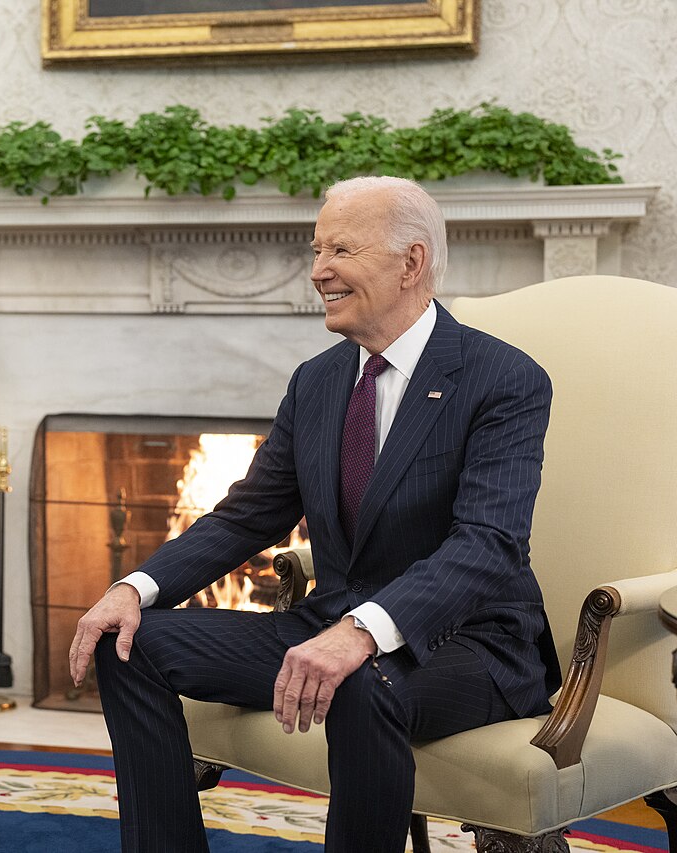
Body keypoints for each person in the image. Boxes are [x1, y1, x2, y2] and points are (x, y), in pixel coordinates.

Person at [69, 176, 561, 853]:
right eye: (317, 249)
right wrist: (134, 588)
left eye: (340, 250)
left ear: (411, 262)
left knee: (362, 680)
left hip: (470, 644)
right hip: (329, 622)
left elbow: (487, 543)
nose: (318, 270)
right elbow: (247, 516)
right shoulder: (318, 380)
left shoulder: (503, 378)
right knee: (127, 643)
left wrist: (362, 631)